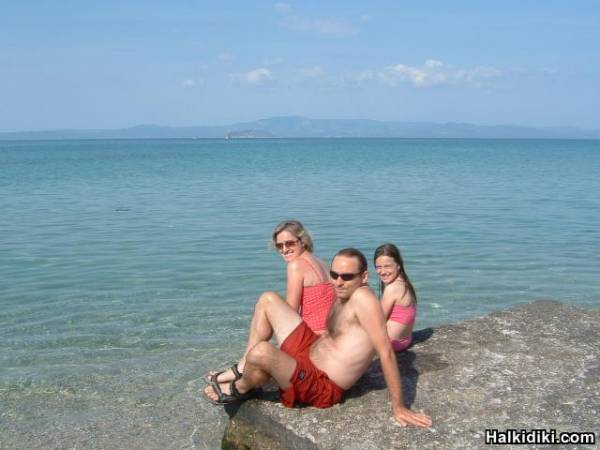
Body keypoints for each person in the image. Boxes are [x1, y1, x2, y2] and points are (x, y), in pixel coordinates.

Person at [203, 248, 432, 428]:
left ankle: (243, 387)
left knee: (262, 352)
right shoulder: (342, 293)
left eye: (347, 276)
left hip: (320, 383)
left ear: (363, 276)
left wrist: (400, 407)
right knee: (268, 299)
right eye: (334, 274)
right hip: (309, 350)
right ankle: (245, 368)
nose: (338, 281)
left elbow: (386, 351)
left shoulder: (364, 298)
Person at [207, 220, 335, 385]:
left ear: (302, 241)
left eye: (289, 243)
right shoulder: (322, 263)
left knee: (266, 300)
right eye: (279, 246)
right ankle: (244, 364)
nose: (284, 249)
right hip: (323, 340)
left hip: (311, 344)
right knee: (267, 306)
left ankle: (242, 366)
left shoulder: (296, 266)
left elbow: (291, 311)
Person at [374, 243, 418, 352]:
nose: (382, 272)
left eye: (387, 266)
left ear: (398, 265)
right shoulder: (405, 283)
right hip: (405, 341)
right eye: (378, 267)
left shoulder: (392, 288)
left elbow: (377, 322)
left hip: (391, 344)